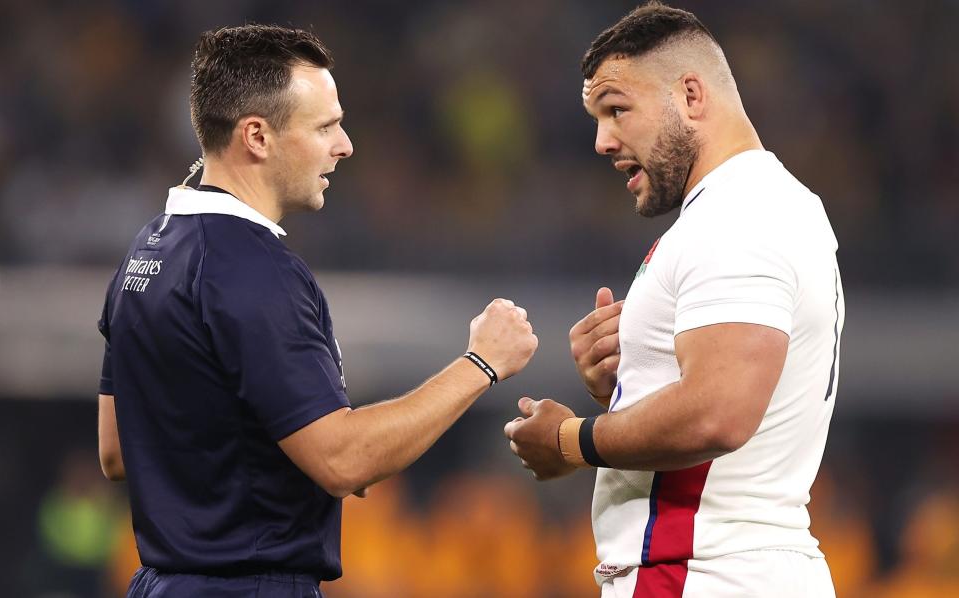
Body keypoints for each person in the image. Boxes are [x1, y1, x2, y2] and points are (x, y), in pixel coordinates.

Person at [96, 24, 538, 598]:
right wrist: (481, 361)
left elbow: (117, 450)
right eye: (325, 126)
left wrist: (272, 452)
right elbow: (343, 459)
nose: (345, 144)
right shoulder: (253, 269)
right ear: (257, 136)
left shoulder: (148, 250)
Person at [503, 3, 843, 597]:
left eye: (617, 109)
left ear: (690, 95)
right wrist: (626, 383)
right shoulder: (768, 204)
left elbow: (719, 412)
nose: (602, 141)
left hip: (704, 573)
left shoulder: (738, 215)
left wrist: (572, 440)